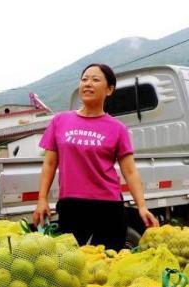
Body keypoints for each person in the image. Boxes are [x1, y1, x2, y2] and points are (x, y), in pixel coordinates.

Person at [32, 63, 159, 250]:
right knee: (72, 265)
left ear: (109, 90)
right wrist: (42, 199)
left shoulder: (118, 128)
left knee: (108, 265)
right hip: (71, 206)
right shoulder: (60, 121)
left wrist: (141, 206)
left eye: (95, 79)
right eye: (84, 79)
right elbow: (50, 163)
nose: (88, 84)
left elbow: (130, 172)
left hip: (108, 207)